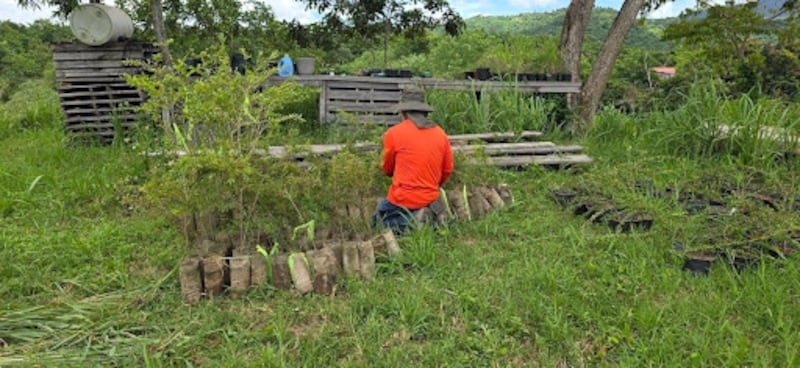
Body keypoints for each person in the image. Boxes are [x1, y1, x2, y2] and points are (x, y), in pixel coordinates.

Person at [372, 90, 454, 233]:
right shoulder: (441, 134)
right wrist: (431, 185)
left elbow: (387, 169)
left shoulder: (394, 133)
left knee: (379, 220)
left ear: (404, 113)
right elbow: (447, 169)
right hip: (430, 196)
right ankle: (431, 217)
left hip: (402, 196)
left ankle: (412, 220)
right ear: (424, 112)